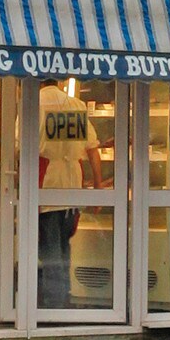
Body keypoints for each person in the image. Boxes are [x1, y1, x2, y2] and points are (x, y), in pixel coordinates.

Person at [37, 80, 102, 308]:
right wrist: (98, 187)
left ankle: (53, 304)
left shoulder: (33, 104)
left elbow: (19, 147)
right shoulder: (76, 105)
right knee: (64, 246)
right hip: (73, 184)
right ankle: (64, 297)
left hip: (46, 184)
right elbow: (92, 149)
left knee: (50, 250)